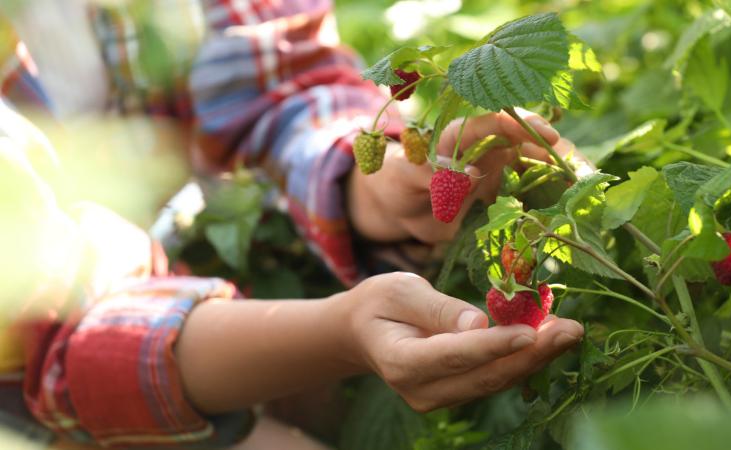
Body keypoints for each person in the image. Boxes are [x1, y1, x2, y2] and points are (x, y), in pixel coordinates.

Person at [0, 0, 586, 448]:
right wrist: (335, 334)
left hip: (176, 308)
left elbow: (279, 84)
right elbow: (47, 340)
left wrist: (371, 183)